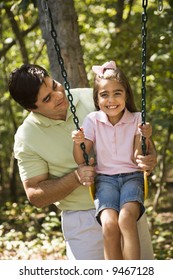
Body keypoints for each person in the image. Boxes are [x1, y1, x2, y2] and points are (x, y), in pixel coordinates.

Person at [8, 63, 157, 260]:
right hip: (81, 220)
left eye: (54, 86)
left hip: (127, 205)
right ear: (31, 108)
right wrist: (76, 177)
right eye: (47, 98)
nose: (58, 95)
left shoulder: (95, 96)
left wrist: (149, 158)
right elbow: (35, 195)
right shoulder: (27, 137)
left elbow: (134, 132)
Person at [72, 61, 153, 260]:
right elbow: (81, 158)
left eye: (117, 93)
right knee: (109, 223)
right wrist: (78, 142)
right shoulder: (92, 120)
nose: (111, 100)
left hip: (132, 178)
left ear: (126, 94)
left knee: (126, 219)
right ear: (97, 98)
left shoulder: (137, 119)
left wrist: (146, 137)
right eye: (104, 94)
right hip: (105, 180)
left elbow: (137, 155)